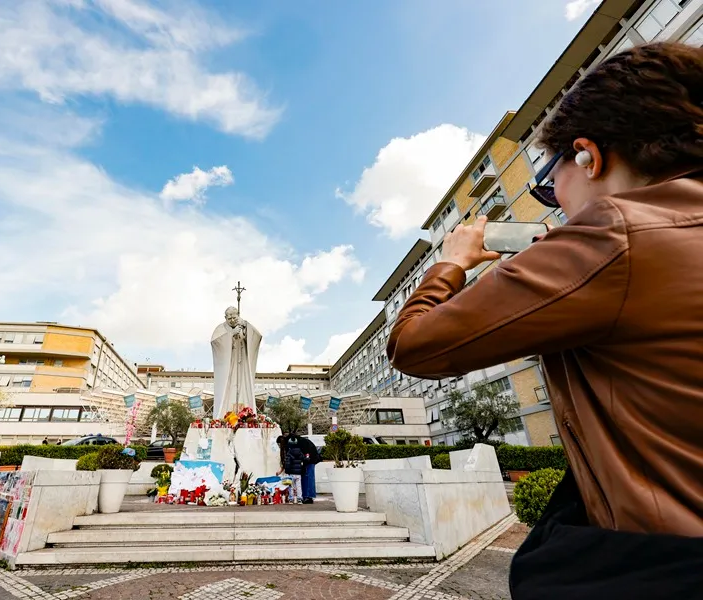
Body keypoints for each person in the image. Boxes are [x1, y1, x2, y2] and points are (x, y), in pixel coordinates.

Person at [386, 42, 703, 598]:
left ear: (588, 156)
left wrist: (453, 263)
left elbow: (414, 345)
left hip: (665, 564)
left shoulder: (614, 233)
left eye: (546, 183)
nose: (554, 201)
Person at [277, 433, 305, 504]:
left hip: (291, 473)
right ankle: (299, 499)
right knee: (299, 486)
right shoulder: (300, 452)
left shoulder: (289, 453)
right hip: (298, 473)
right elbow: (303, 459)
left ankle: (291, 499)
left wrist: (287, 471)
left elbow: (288, 463)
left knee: (291, 486)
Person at [299, 434, 321, 504]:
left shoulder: (302, 444)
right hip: (311, 461)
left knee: (307, 478)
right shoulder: (306, 443)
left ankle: (307, 496)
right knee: (309, 478)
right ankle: (309, 496)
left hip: (309, 462)